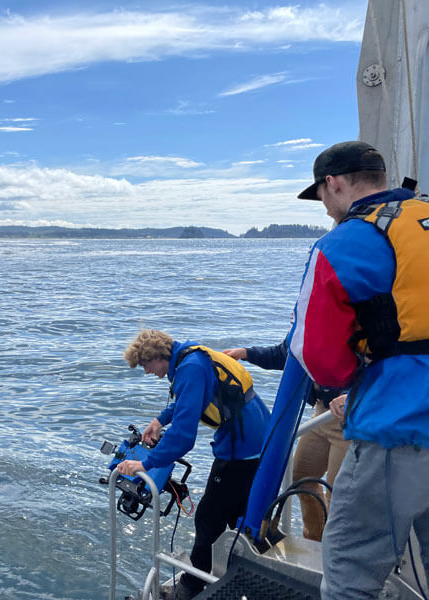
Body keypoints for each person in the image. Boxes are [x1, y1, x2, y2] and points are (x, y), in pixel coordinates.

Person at [288, 141, 429, 599]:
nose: (327, 209)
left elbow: (316, 353)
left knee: (349, 566)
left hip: (401, 423)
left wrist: (349, 383)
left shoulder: (346, 240)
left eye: (323, 197)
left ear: (334, 184)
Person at [118, 329, 270, 599]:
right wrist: (160, 419)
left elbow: (184, 436)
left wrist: (145, 464)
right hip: (257, 436)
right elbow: (193, 398)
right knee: (241, 513)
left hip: (242, 446)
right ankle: (245, 569)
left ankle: (192, 586)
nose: (146, 372)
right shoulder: (190, 357)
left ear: (158, 357)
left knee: (209, 517)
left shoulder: (189, 369)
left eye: (145, 365)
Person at [223, 341, 349, 541]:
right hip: (322, 410)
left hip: (348, 416)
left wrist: (352, 395)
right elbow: (289, 353)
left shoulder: (357, 318)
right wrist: (247, 353)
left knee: (339, 491)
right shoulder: (309, 319)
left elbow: (377, 364)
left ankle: (335, 549)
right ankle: (316, 537)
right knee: (302, 476)